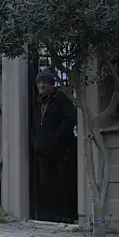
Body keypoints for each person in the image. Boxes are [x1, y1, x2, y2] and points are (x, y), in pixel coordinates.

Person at [31, 68, 77, 222]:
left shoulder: (61, 98)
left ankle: (67, 215)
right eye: (39, 82)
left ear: (52, 84)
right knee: (46, 183)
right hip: (43, 150)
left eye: (45, 82)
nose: (42, 85)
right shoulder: (38, 102)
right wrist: (35, 141)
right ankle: (51, 214)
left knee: (63, 182)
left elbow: (69, 120)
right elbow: (34, 125)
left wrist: (56, 137)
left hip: (60, 149)